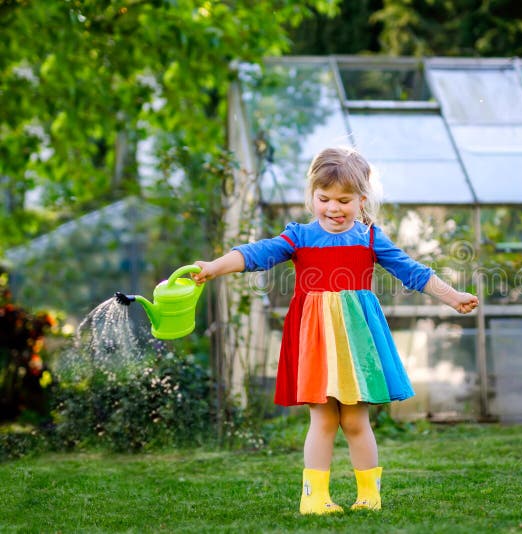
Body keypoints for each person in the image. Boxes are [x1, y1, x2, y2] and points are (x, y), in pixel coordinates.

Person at [193, 147, 479, 514]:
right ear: (311, 196)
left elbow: (413, 271)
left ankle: (368, 496)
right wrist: (215, 266)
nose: (333, 207)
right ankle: (314, 498)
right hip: (315, 341)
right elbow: (257, 253)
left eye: (344, 200)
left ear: (362, 200)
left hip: (356, 343)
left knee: (356, 419)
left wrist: (452, 296)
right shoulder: (298, 236)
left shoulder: (370, 238)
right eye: (324, 198)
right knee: (323, 418)